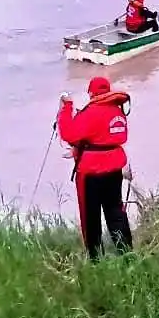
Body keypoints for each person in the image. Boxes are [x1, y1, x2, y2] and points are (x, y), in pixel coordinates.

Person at [58, 76, 134, 260]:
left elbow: (68, 133)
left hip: (90, 173)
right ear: (107, 91)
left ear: (91, 92)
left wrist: (66, 107)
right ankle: (127, 255)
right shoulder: (118, 111)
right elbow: (105, 137)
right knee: (116, 211)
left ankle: (95, 259)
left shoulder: (91, 112)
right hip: (114, 170)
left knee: (90, 216)